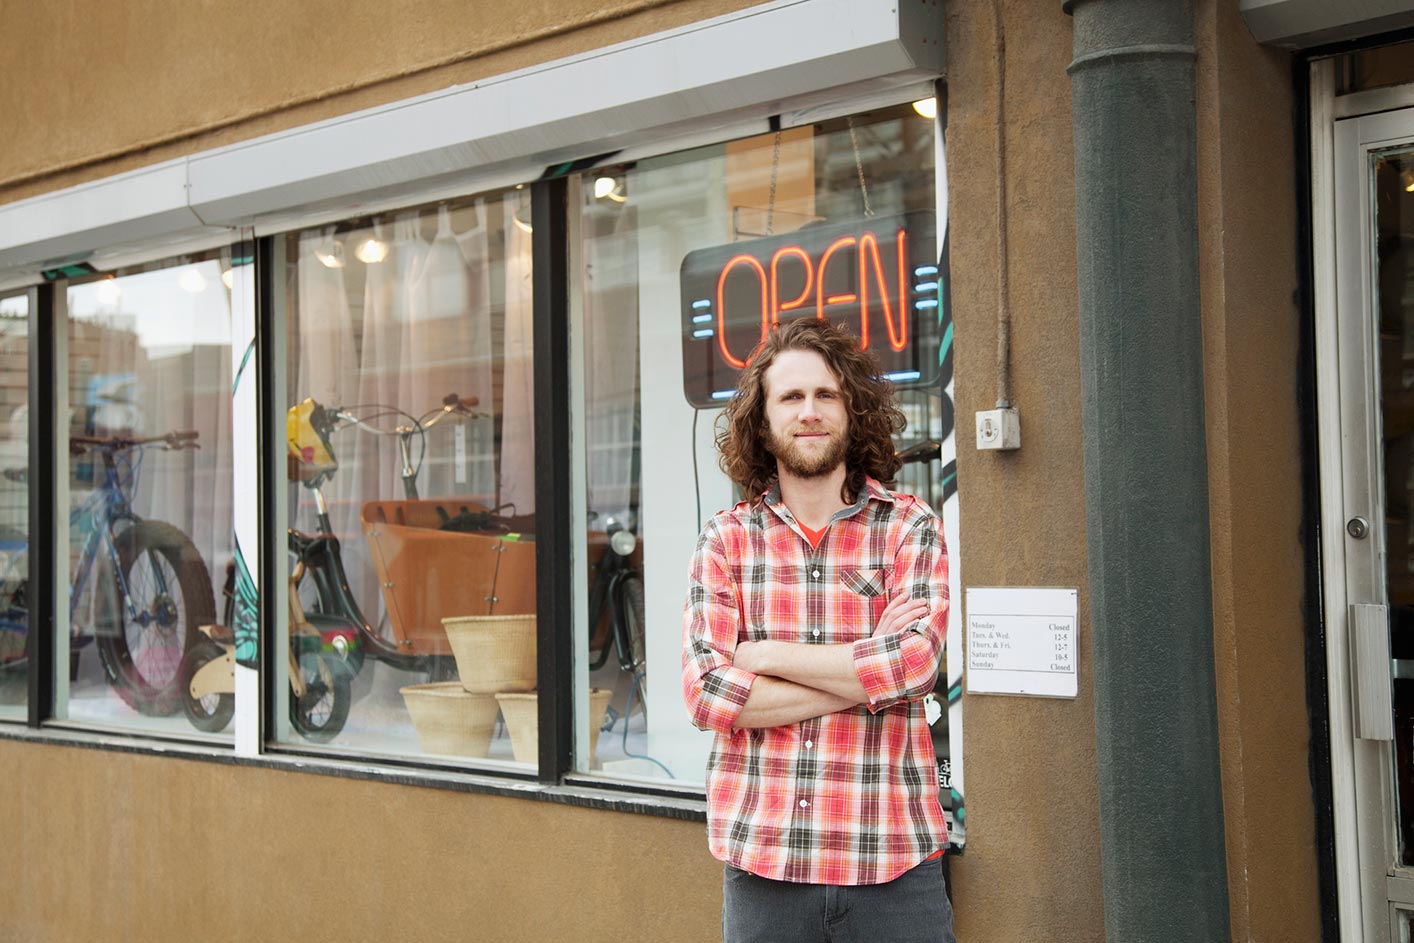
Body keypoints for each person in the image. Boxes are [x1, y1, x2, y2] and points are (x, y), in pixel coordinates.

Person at [682, 317, 957, 943]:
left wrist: (762, 655)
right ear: (763, 419)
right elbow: (706, 695)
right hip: (765, 871)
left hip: (894, 867)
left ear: (852, 409)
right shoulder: (726, 541)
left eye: (826, 394)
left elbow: (914, 667)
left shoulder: (908, 528)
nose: (810, 411)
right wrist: (865, 677)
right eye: (792, 396)